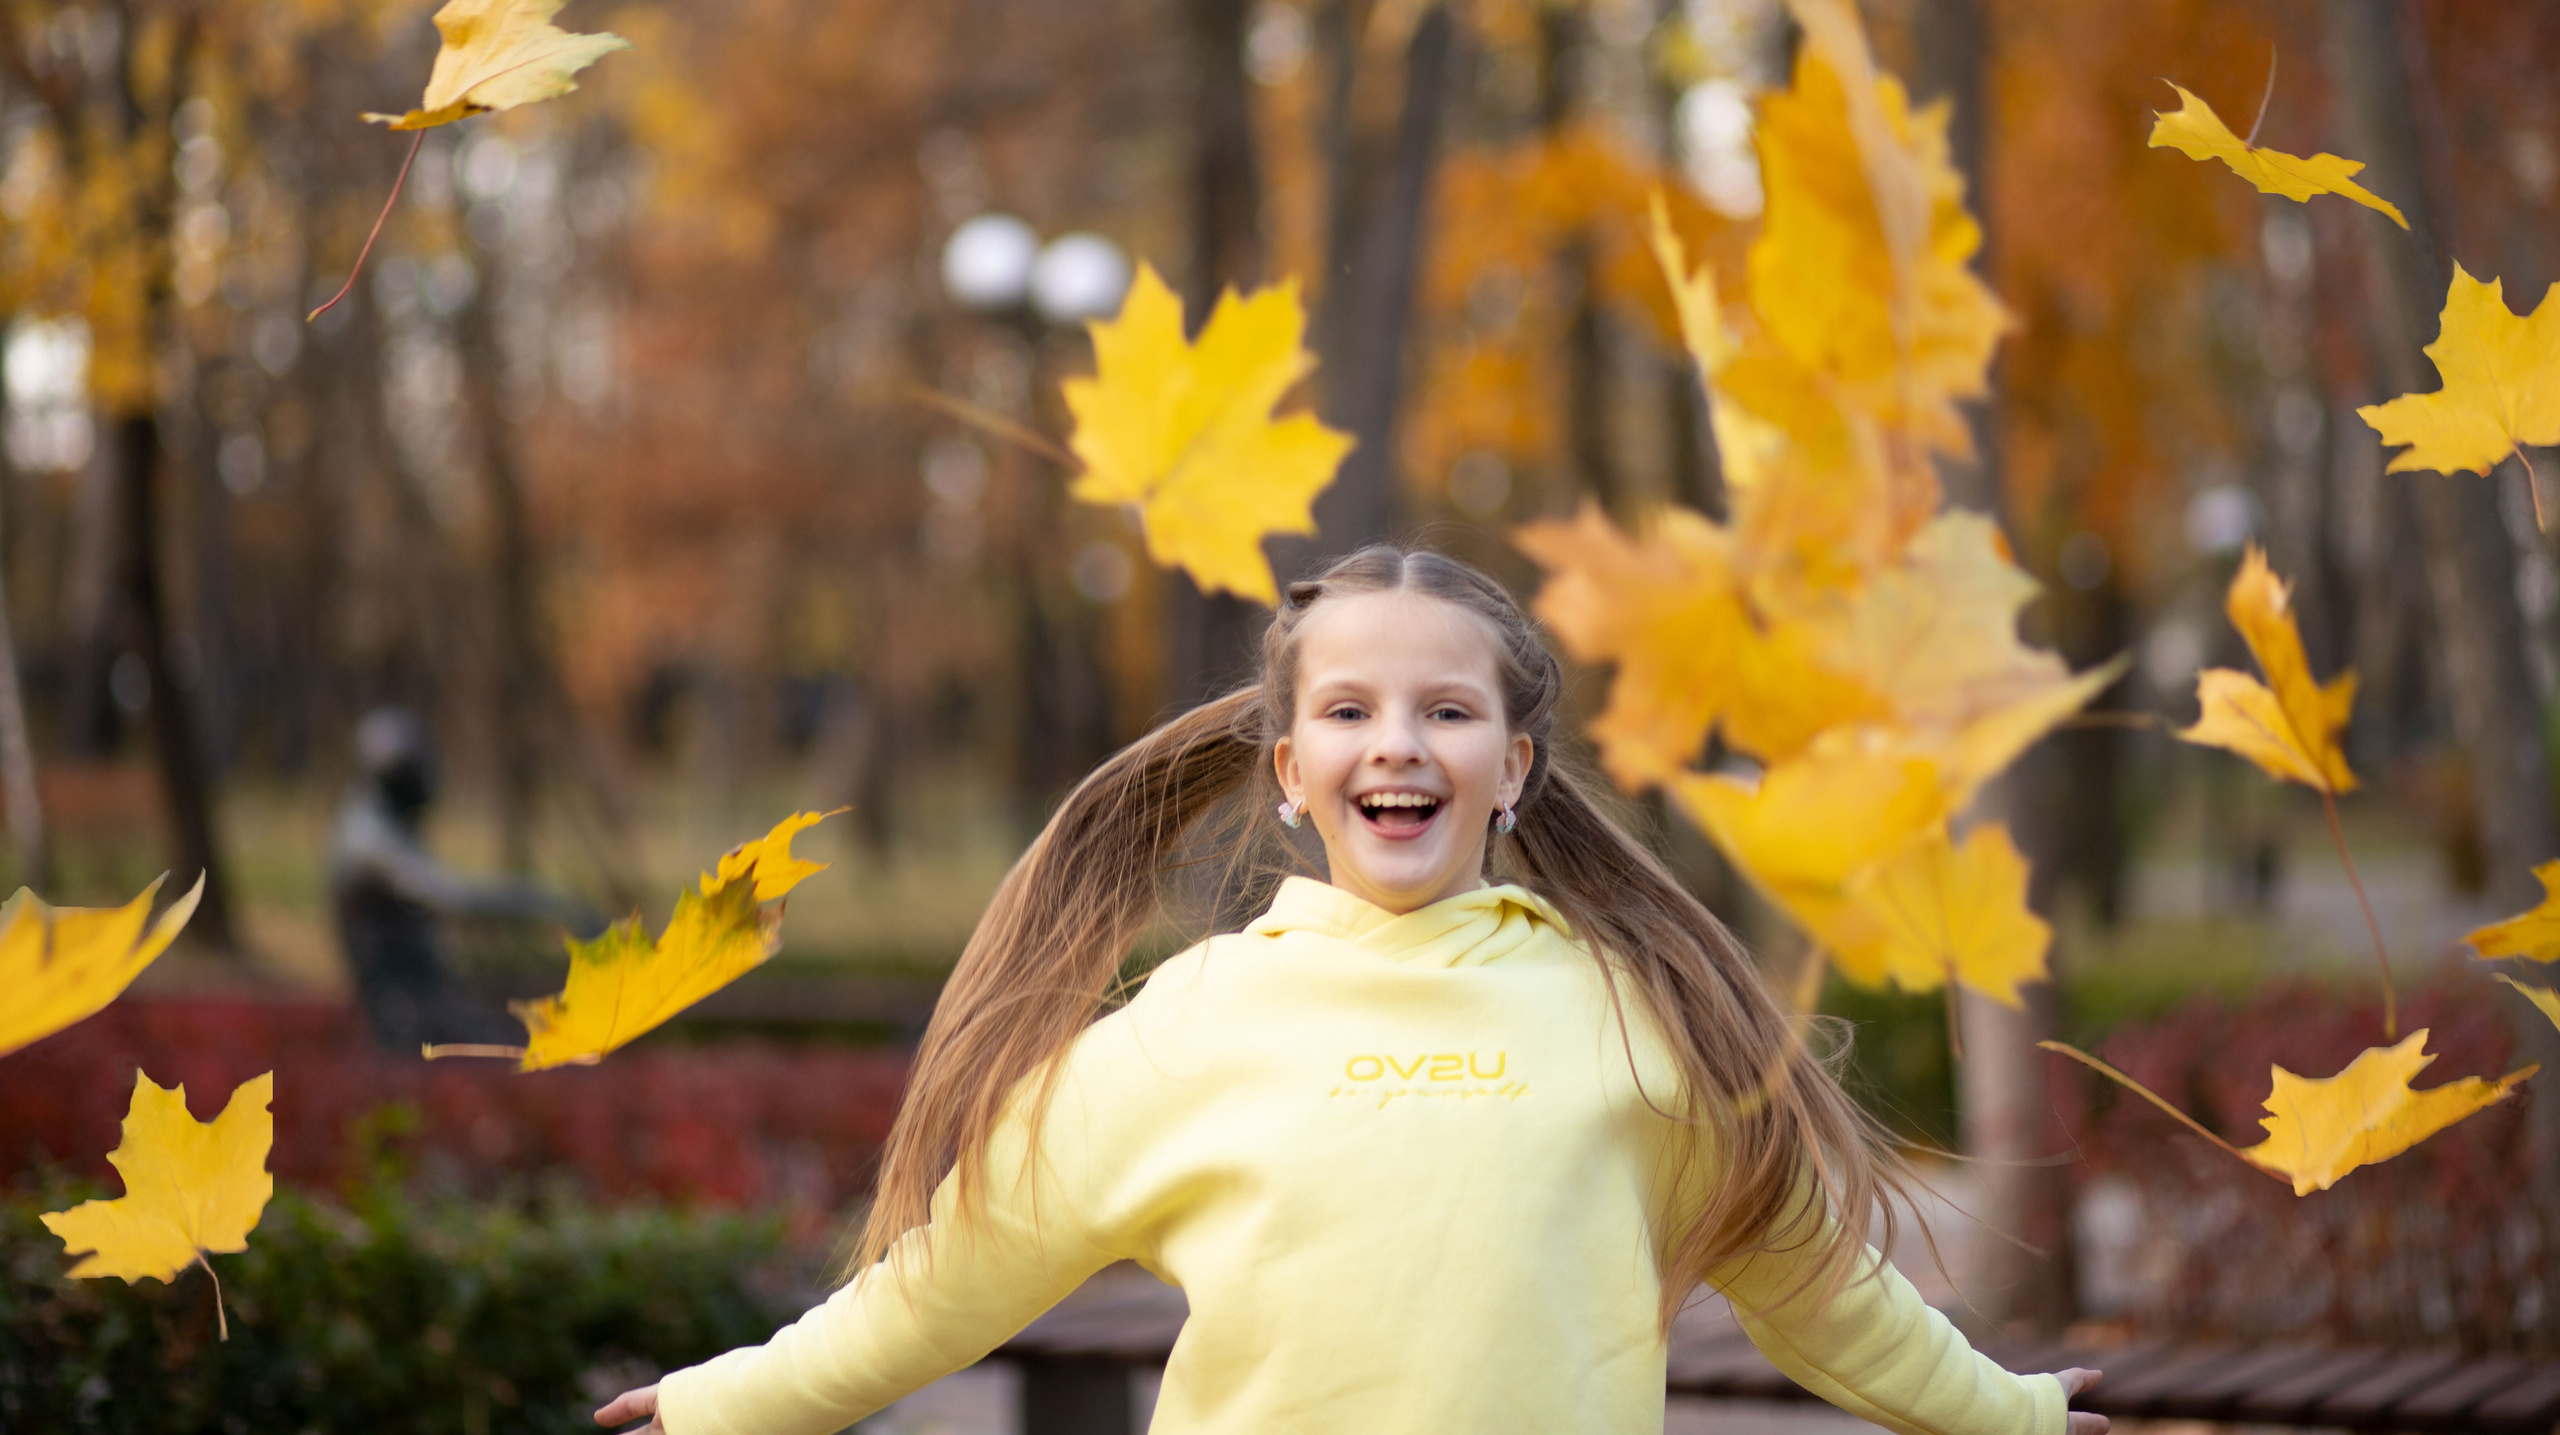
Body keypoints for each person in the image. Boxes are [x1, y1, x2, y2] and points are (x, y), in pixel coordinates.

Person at [597, 548, 2108, 1435]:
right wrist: (732, 1401)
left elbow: (1817, 1289)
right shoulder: (1183, 1029)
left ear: (1512, 769)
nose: (1398, 741)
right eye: (1349, 709)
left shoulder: (1638, 1019)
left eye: (1447, 709)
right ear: (1291, 769)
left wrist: (2012, 1411)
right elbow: (948, 1280)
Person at [328, 706, 596, 1052]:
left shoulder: (384, 829)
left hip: (428, 1003)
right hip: (411, 1020)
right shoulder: (368, 839)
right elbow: (450, 897)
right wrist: (546, 904)